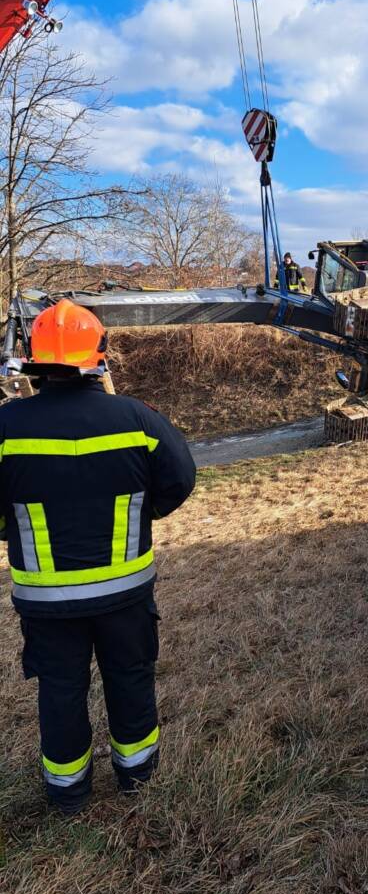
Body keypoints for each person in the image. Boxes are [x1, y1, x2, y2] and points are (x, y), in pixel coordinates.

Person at [1, 299, 196, 814]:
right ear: (100, 355)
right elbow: (179, 481)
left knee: (60, 689)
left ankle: (67, 795)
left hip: (45, 599)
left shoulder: (6, 427)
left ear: (32, 357)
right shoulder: (137, 419)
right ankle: (138, 778)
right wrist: (140, 515)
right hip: (125, 593)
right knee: (129, 676)